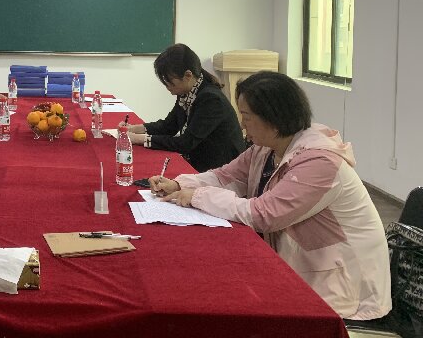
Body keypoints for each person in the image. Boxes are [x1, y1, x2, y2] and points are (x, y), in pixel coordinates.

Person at [149, 71, 391, 321]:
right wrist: (179, 185)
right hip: (301, 267)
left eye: (246, 117)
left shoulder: (320, 162)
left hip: (342, 290)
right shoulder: (267, 148)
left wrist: (197, 196)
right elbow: (226, 177)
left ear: (274, 119)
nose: (242, 125)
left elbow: (264, 215)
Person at [127, 43, 246, 172]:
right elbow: (169, 126)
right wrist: (134, 128)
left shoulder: (211, 99)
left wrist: (139, 139)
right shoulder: (187, 92)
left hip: (220, 168)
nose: (168, 88)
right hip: (200, 159)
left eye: (170, 83)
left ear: (188, 75)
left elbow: (186, 143)